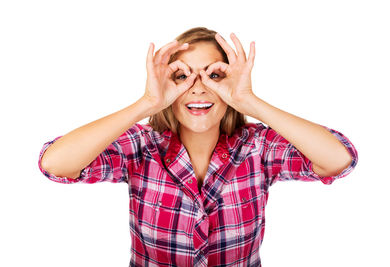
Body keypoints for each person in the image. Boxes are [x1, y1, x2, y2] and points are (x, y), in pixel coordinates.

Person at [38, 27, 358, 266]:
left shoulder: (258, 147)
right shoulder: (141, 146)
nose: (199, 88)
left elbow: (339, 158)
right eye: (183, 77)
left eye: (215, 75)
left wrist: (250, 102)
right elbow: (55, 164)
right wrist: (147, 103)